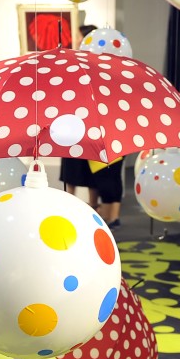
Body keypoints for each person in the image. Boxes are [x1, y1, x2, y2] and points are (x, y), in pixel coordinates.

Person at [58, 25, 125, 229]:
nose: (77, 40)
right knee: (97, 174)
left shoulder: (107, 73)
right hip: (89, 127)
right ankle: (104, 214)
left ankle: (111, 216)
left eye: (79, 37)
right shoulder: (87, 69)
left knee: (108, 175)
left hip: (106, 129)